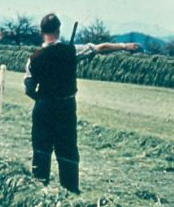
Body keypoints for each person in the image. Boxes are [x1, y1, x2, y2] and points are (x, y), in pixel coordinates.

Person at [24, 13, 140, 193]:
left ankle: (40, 189)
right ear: (58, 30)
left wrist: (43, 99)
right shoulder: (72, 51)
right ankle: (70, 191)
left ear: (41, 32)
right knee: (68, 150)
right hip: (66, 108)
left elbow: (28, 88)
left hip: (43, 108)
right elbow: (100, 48)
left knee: (41, 149)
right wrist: (125, 46)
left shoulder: (33, 58)